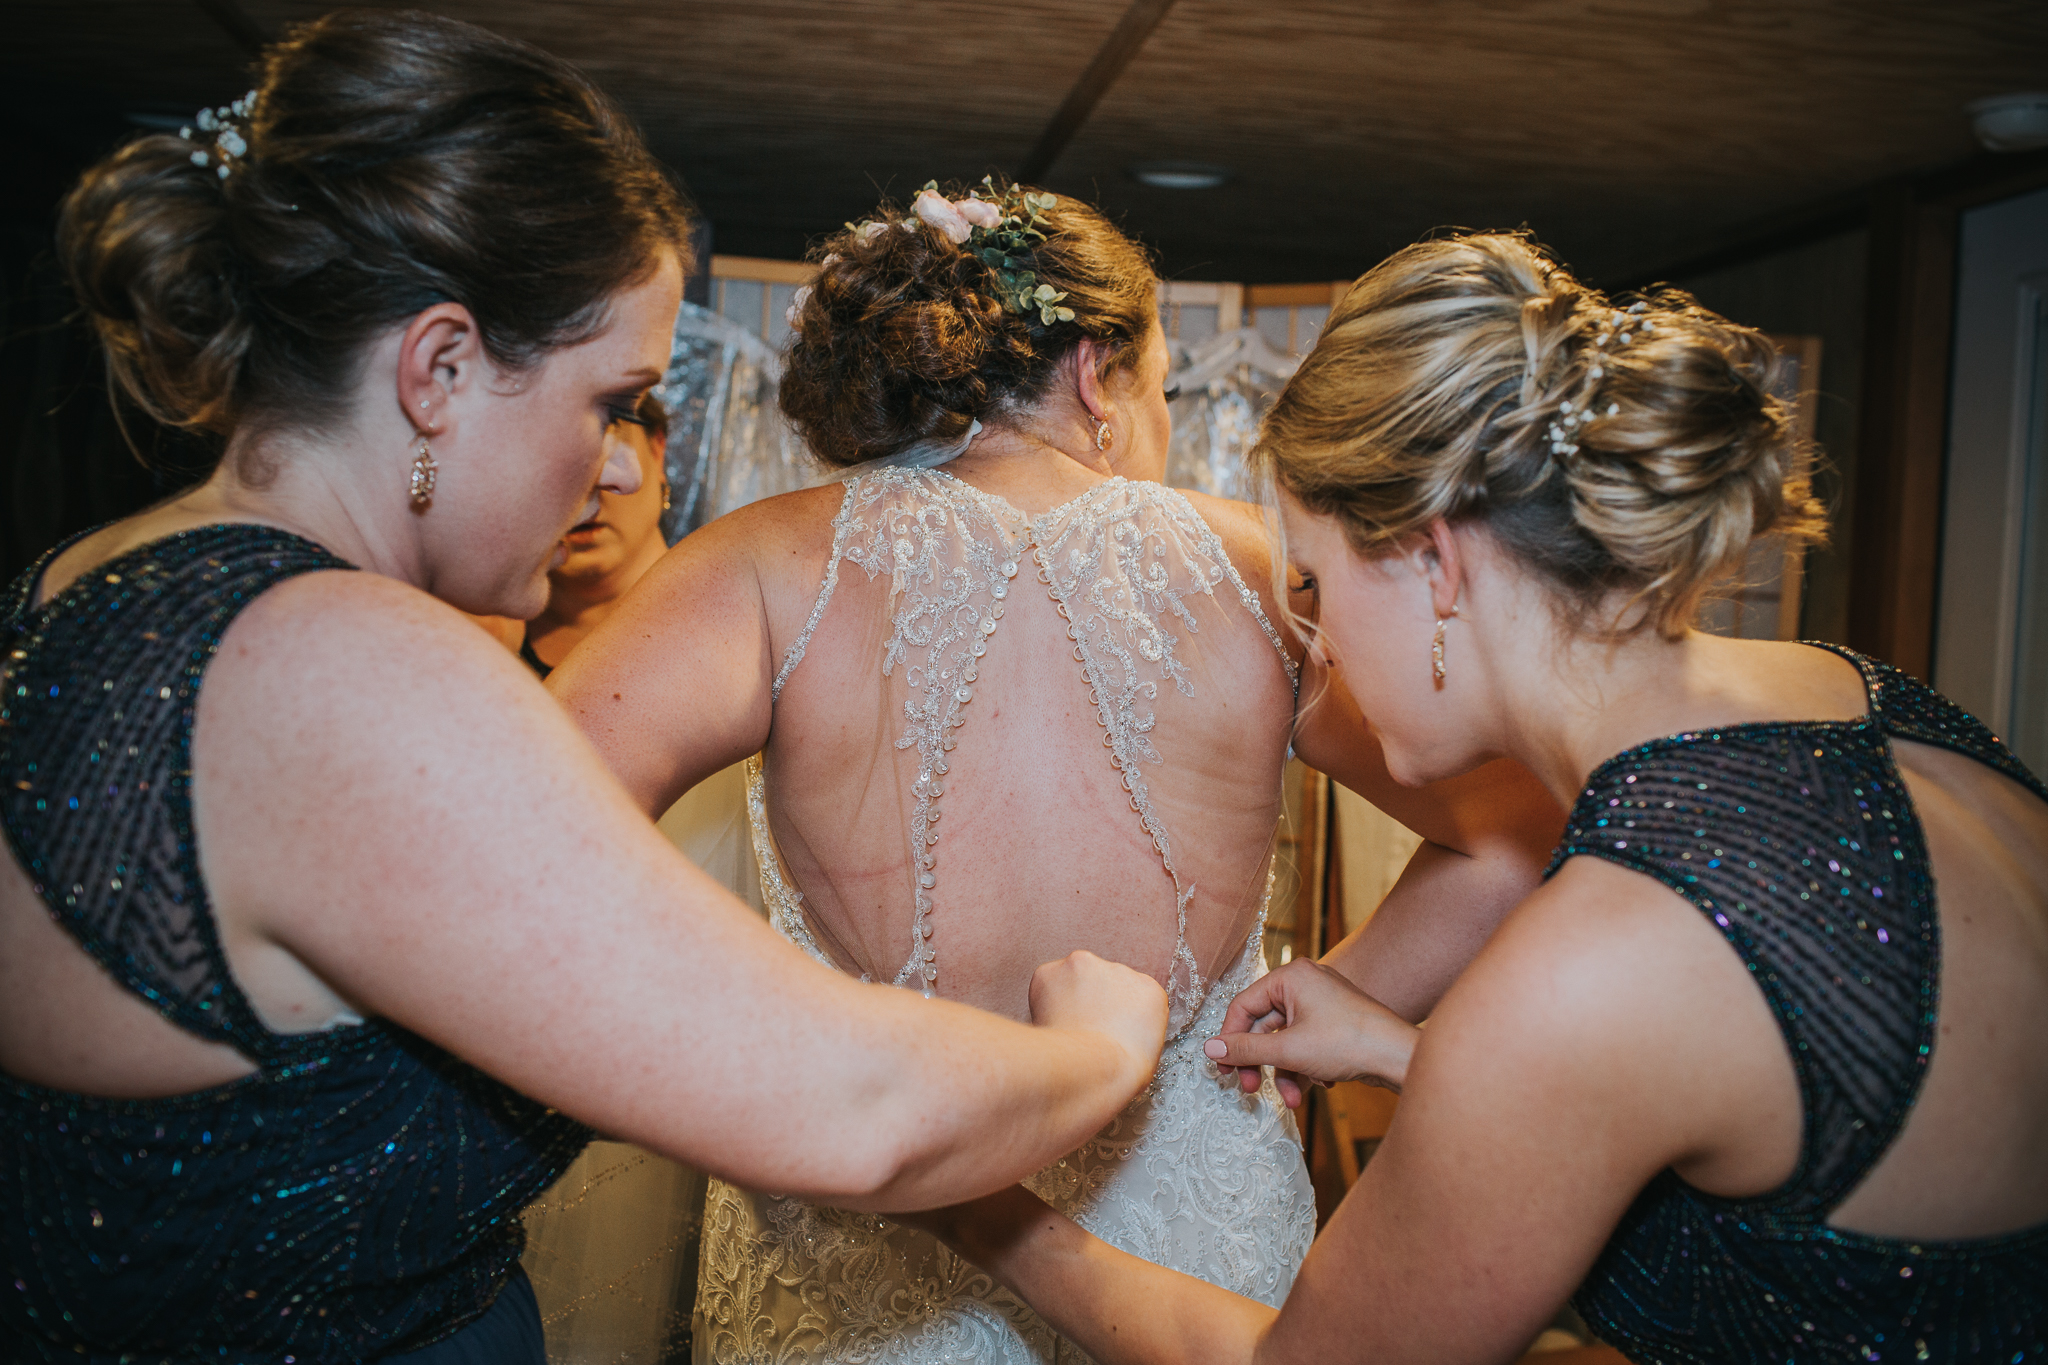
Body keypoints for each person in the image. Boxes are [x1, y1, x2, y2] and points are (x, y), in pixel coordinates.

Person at [0, 16, 1173, 1364]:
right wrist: (1100, 1051)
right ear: (439, 369)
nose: (614, 464)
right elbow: (851, 1110)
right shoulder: (344, 666)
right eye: (608, 400)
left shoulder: (75, 583)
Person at [910, 232, 2048, 1364]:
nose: (1315, 639)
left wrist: (970, 1203)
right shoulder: (1865, 697)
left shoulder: (1601, 953)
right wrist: (1413, 1055)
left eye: (1313, 581)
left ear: (1433, 563)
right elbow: (1800, 1101)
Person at [548, 185, 1563, 1363]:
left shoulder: (765, 564)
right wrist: (1299, 1008)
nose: (1159, 419)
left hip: (876, 1215)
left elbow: (518, 842)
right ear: (1094, 376)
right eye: (1160, 386)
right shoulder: (1256, 575)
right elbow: (1508, 836)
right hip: (1190, 1248)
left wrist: (761, 1039)